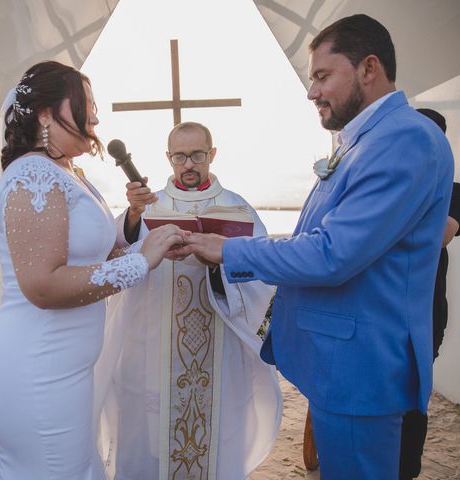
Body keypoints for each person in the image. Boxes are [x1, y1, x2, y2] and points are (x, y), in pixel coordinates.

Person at [174, 14, 454, 479]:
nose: (311, 92)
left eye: (323, 76)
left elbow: (331, 254)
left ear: (369, 68)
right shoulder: (365, 140)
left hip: (359, 371)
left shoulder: (403, 139)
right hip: (339, 366)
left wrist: (228, 251)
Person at [0, 61, 185, 479]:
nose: (94, 116)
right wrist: (142, 262)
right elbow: (44, 285)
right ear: (46, 114)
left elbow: (99, 258)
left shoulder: (70, 173)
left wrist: (147, 240)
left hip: (67, 367)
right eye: (85, 104)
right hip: (37, 367)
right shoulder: (33, 174)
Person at [97, 122, 282, 479]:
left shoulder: (235, 208)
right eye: (180, 156)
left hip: (217, 347)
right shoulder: (149, 206)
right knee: (151, 438)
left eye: (197, 155)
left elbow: (262, 273)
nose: (189, 164)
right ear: (169, 159)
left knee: (214, 438)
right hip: (153, 347)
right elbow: (115, 257)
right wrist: (134, 219)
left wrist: (220, 264)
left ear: (212, 155)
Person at [399, 108, 460, 480]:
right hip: (383, 308)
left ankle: (406, 471)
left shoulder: (453, 191)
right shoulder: (390, 186)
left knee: (413, 397)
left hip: (425, 312)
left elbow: (441, 235)